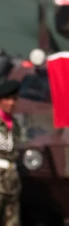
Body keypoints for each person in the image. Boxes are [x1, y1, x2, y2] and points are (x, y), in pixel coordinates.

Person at [0, 80, 20, 226]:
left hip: (11, 180)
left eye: (14, 99)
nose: (11, 103)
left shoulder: (15, 125)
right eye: (7, 99)